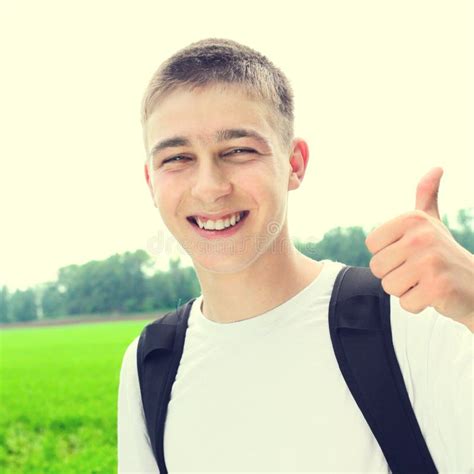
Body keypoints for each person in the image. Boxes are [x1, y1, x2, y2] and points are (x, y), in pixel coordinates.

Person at [117, 38, 473, 473]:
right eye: (177, 158)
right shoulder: (149, 364)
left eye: (238, 151)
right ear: (150, 181)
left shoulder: (409, 319)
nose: (210, 186)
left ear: (295, 163)